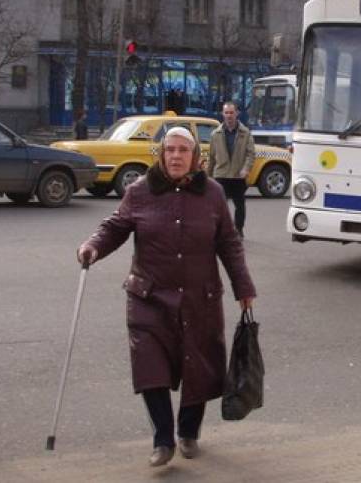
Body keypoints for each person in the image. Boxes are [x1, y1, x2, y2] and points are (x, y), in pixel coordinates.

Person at [76, 127, 255, 468]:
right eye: (169, 150)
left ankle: (188, 432)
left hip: (199, 298)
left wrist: (243, 288)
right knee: (150, 367)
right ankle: (162, 438)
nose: (175, 156)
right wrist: (93, 246)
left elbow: (229, 244)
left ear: (195, 158)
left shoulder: (213, 194)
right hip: (148, 296)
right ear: (160, 154)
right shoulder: (139, 191)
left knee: (197, 366)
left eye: (182, 151)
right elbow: (115, 226)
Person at [207, 101, 256, 238]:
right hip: (220, 175)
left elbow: (251, 154)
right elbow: (211, 157)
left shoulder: (245, 133)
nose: (229, 115)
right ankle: (219, 231)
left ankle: (238, 230)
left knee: (239, 205)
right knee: (218, 206)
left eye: (231, 112)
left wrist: (246, 169)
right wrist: (207, 176)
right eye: (226, 112)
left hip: (237, 176)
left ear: (237, 114)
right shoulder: (215, 134)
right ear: (223, 114)